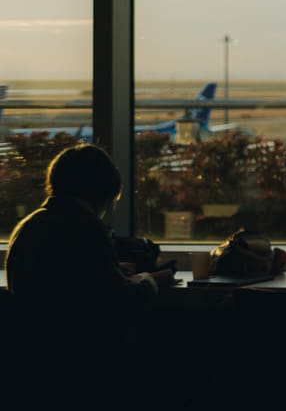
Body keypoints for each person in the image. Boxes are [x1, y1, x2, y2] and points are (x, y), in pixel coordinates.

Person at [4, 144, 172, 377]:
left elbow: (67, 279)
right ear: (106, 192)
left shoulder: (30, 225)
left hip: (34, 358)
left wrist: (109, 270)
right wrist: (149, 280)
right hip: (77, 358)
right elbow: (122, 302)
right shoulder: (84, 227)